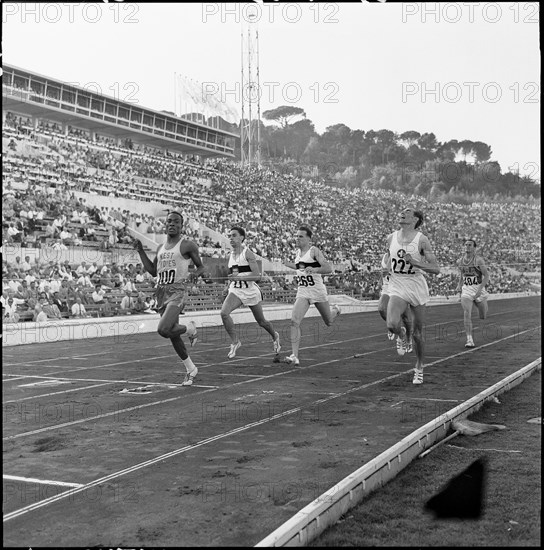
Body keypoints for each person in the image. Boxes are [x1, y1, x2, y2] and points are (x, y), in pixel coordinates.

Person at [133, 211, 203, 386]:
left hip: (178, 291)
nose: (172, 224)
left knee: (163, 329)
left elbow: (201, 267)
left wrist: (195, 274)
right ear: (165, 225)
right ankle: (191, 369)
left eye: (176, 222)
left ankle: (190, 328)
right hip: (161, 292)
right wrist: (141, 251)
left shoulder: (187, 245)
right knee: (172, 334)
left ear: (181, 226)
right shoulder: (160, 248)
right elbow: (153, 271)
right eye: (169, 221)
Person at [384, 208, 440, 385]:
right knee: (392, 323)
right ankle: (401, 335)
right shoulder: (390, 237)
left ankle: (419, 366)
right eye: (401, 211)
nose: (401, 213)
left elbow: (436, 268)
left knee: (417, 333)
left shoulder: (421, 240)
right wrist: (386, 265)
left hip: (415, 285)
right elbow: (388, 255)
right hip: (397, 283)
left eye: (407, 212)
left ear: (415, 219)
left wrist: (416, 262)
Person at [283, 225, 341, 366]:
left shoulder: (314, 251)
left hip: (317, 291)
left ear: (309, 238)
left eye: (301, 236)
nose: (297, 239)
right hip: (303, 291)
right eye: (296, 236)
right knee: (294, 321)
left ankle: (335, 310)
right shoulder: (297, 253)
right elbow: (301, 267)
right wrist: (289, 265)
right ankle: (294, 355)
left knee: (329, 321)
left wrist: (314, 269)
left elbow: (328, 268)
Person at [220, 226, 281, 359]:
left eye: (234, 235)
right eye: (229, 236)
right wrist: (228, 285)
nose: (231, 238)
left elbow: (256, 275)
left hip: (250, 291)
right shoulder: (230, 256)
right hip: (236, 290)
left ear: (241, 238)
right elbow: (234, 274)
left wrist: (239, 278)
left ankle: (274, 336)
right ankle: (235, 341)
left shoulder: (248, 253)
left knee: (261, 322)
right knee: (224, 313)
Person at [377, 252, 413, 355]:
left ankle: (409, 339)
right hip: (387, 286)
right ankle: (397, 330)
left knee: (406, 317)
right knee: (382, 308)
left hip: (400, 287)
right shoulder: (384, 255)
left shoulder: (402, 254)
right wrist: (381, 280)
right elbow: (383, 270)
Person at [457, 239, 490, 348]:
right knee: (467, 312)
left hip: (478, 288)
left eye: (470, 245)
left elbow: (486, 276)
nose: (467, 246)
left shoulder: (478, 260)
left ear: (474, 247)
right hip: (466, 289)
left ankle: (478, 303)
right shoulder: (460, 261)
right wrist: (459, 285)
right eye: (466, 244)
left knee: (483, 316)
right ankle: (469, 339)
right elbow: (462, 275)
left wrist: (480, 290)